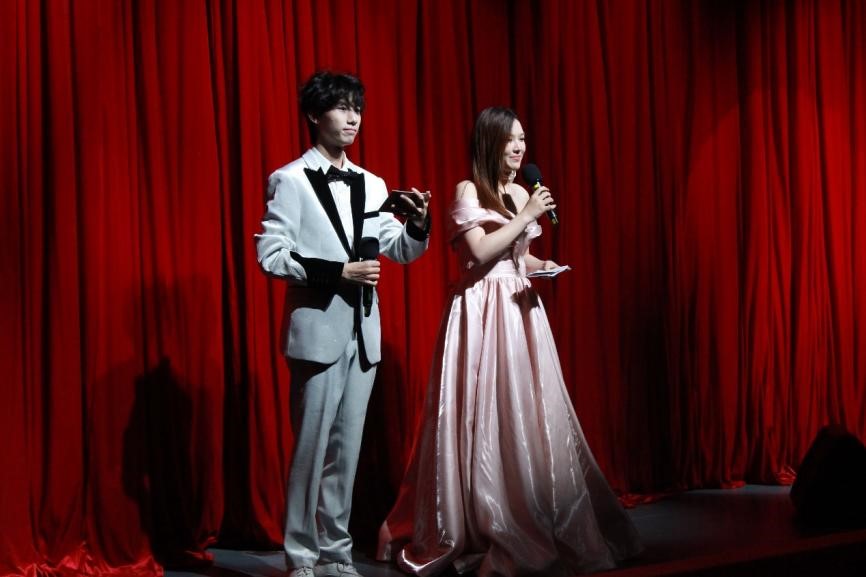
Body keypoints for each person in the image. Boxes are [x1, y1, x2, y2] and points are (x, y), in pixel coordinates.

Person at [377, 107, 641, 576]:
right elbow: (479, 252)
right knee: (482, 408)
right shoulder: (468, 190)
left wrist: (541, 265)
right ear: (489, 143)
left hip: (520, 310)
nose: (519, 148)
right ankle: (481, 517)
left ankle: (527, 507)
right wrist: (529, 215)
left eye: (522, 139)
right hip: (480, 310)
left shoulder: (520, 192)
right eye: (510, 140)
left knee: (527, 408)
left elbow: (518, 254)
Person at [255, 71, 431, 577]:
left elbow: (398, 249)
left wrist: (418, 223)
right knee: (310, 450)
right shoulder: (289, 180)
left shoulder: (372, 183)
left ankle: (335, 552)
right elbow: (271, 254)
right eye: (341, 107)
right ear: (315, 115)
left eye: (357, 108)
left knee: (346, 452)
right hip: (318, 332)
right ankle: (301, 556)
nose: (353, 118)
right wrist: (338, 272)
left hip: (363, 332)